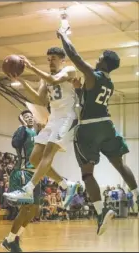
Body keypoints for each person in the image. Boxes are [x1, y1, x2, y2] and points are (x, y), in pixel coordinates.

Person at [57, 28, 139, 235]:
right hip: (106, 125)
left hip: (90, 128)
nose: (96, 59)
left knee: (87, 174)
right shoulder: (108, 83)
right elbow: (90, 101)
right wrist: (78, 90)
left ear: (104, 63)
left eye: (100, 57)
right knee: (119, 163)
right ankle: (137, 194)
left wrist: (64, 37)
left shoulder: (93, 75)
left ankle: (101, 212)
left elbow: (75, 57)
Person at [4, 47, 80, 205]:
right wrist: (22, 81)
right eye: (48, 59)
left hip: (67, 118)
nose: (50, 61)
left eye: (53, 58)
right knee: (34, 158)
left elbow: (54, 80)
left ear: (62, 60)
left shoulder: (69, 70)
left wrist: (31, 67)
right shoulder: (45, 78)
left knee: (47, 155)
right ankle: (67, 185)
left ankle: (28, 189)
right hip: (53, 119)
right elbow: (40, 100)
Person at [2, 109, 76, 252]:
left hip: (35, 175)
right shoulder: (22, 130)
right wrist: (23, 126)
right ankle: (11, 239)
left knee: (35, 210)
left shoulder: (38, 135)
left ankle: (12, 239)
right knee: (25, 209)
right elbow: (15, 144)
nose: (30, 118)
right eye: (26, 117)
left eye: (31, 116)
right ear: (22, 119)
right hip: (23, 172)